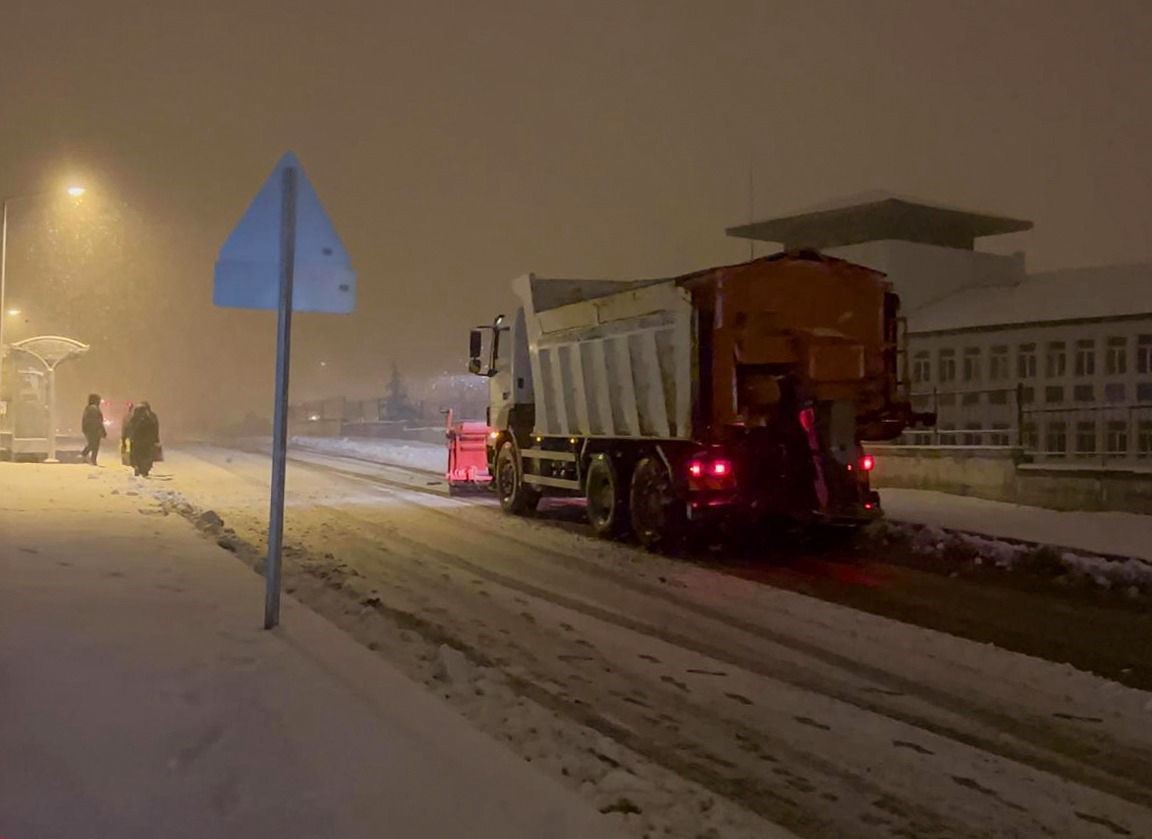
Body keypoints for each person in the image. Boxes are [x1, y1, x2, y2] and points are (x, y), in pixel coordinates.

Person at [128, 402, 160, 477]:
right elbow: (155, 428)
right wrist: (156, 438)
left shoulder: (134, 417)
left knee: (136, 454)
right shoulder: (151, 417)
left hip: (136, 439)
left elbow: (129, 427)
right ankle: (144, 469)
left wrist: (129, 437)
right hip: (148, 440)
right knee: (146, 455)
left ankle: (137, 466)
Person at [79, 393, 107, 465]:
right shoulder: (94, 408)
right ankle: (90, 458)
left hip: (89, 429)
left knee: (92, 444)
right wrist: (102, 430)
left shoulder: (88, 408)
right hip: (94, 430)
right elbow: (98, 421)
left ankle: (88, 457)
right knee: (94, 445)